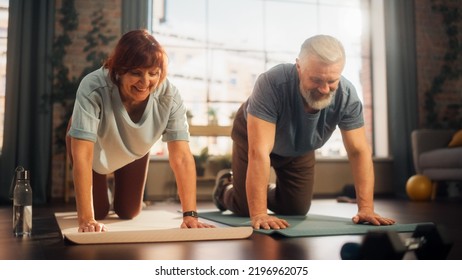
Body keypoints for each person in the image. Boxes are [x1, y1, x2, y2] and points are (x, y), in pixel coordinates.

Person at [213, 35, 396, 230]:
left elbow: (359, 152)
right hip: (254, 140)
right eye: (316, 80)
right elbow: (259, 152)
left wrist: (366, 208)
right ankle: (225, 187)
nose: (324, 89)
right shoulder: (271, 83)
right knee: (244, 208)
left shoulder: (347, 96)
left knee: (295, 208)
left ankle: (258, 191)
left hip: (300, 145)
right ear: (299, 67)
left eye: (332, 81)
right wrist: (259, 213)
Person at [66, 29, 213, 232]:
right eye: (136, 73)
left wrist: (190, 215)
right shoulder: (93, 87)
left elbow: (182, 157)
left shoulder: (170, 96)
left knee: (128, 212)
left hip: (134, 148)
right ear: (118, 70)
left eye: (153, 73)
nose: (145, 83)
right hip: (93, 148)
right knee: (97, 213)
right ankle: (100, 197)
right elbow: (82, 156)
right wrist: (86, 219)